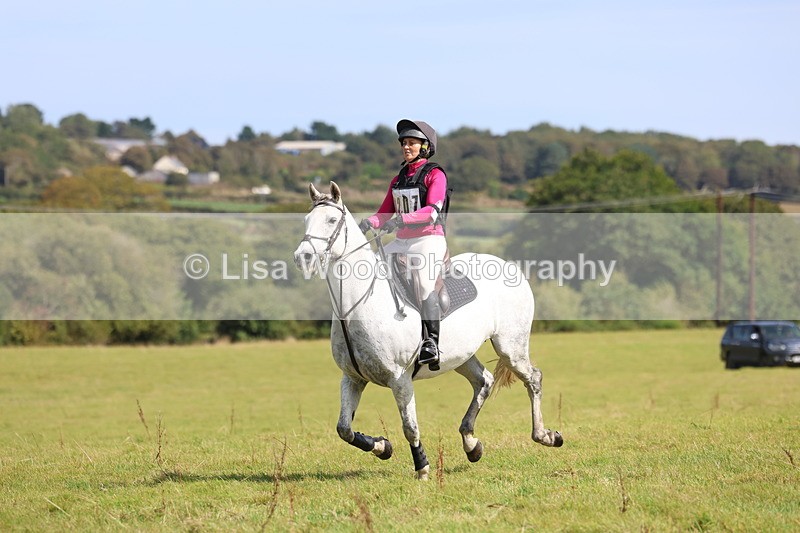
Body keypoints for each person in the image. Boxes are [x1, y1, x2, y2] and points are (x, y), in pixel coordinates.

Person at [358, 119, 448, 369]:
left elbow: (432, 210)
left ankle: (431, 343)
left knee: (422, 281)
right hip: (401, 241)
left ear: (425, 147)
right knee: (368, 268)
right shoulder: (397, 180)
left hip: (428, 239)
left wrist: (401, 219)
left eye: (412, 143)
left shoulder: (435, 175)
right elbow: (383, 213)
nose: (406, 147)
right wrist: (367, 224)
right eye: (404, 143)